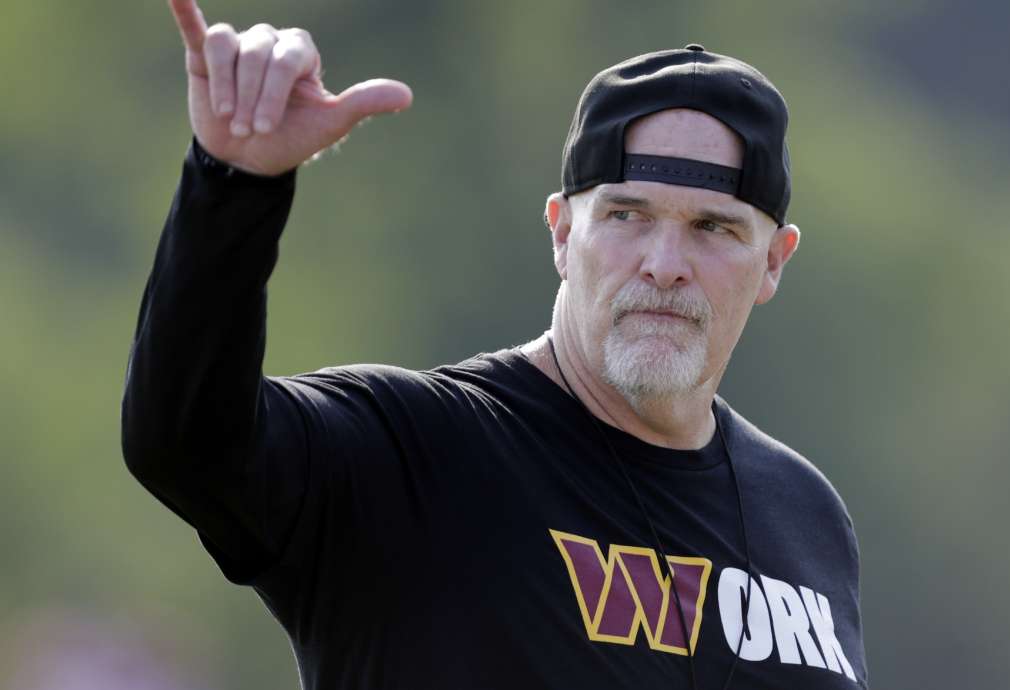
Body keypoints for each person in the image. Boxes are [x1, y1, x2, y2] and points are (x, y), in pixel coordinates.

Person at [121, 1, 870, 688]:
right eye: (627, 215)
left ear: (773, 262)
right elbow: (188, 444)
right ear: (562, 232)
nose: (664, 264)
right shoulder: (418, 455)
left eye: (713, 228)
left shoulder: (804, 516)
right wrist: (233, 184)